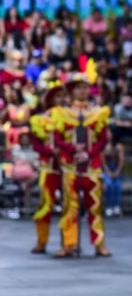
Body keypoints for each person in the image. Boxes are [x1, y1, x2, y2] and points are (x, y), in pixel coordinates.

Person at [52, 58, 112, 257]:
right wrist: (71, 149)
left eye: (84, 88)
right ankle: (68, 244)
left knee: (95, 207)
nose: (81, 91)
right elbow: (57, 140)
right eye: (77, 88)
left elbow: (103, 139)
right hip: (70, 166)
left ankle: (99, 244)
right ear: (71, 91)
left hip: (92, 166)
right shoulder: (62, 114)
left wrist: (88, 152)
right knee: (69, 206)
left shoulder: (98, 113)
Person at [29, 81, 67, 253]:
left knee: (69, 205)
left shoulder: (71, 117)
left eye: (62, 96)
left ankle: (68, 243)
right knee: (45, 204)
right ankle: (41, 241)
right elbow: (36, 145)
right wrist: (52, 152)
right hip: (49, 168)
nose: (60, 99)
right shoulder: (40, 119)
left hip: (68, 169)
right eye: (57, 96)